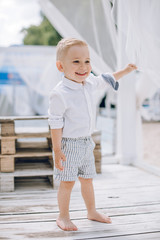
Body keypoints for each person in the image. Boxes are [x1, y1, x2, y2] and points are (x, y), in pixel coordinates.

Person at [48, 38, 137, 231]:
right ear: (60, 66)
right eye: (76, 61)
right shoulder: (60, 93)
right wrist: (57, 149)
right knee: (67, 182)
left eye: (87, 61)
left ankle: (92, 211)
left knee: (87, 179)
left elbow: (106, 78)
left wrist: (126, 70)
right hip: (68, 144)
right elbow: (55, 122)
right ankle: (63, 216)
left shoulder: (88, 83)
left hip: (87, 142)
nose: (83, 67)